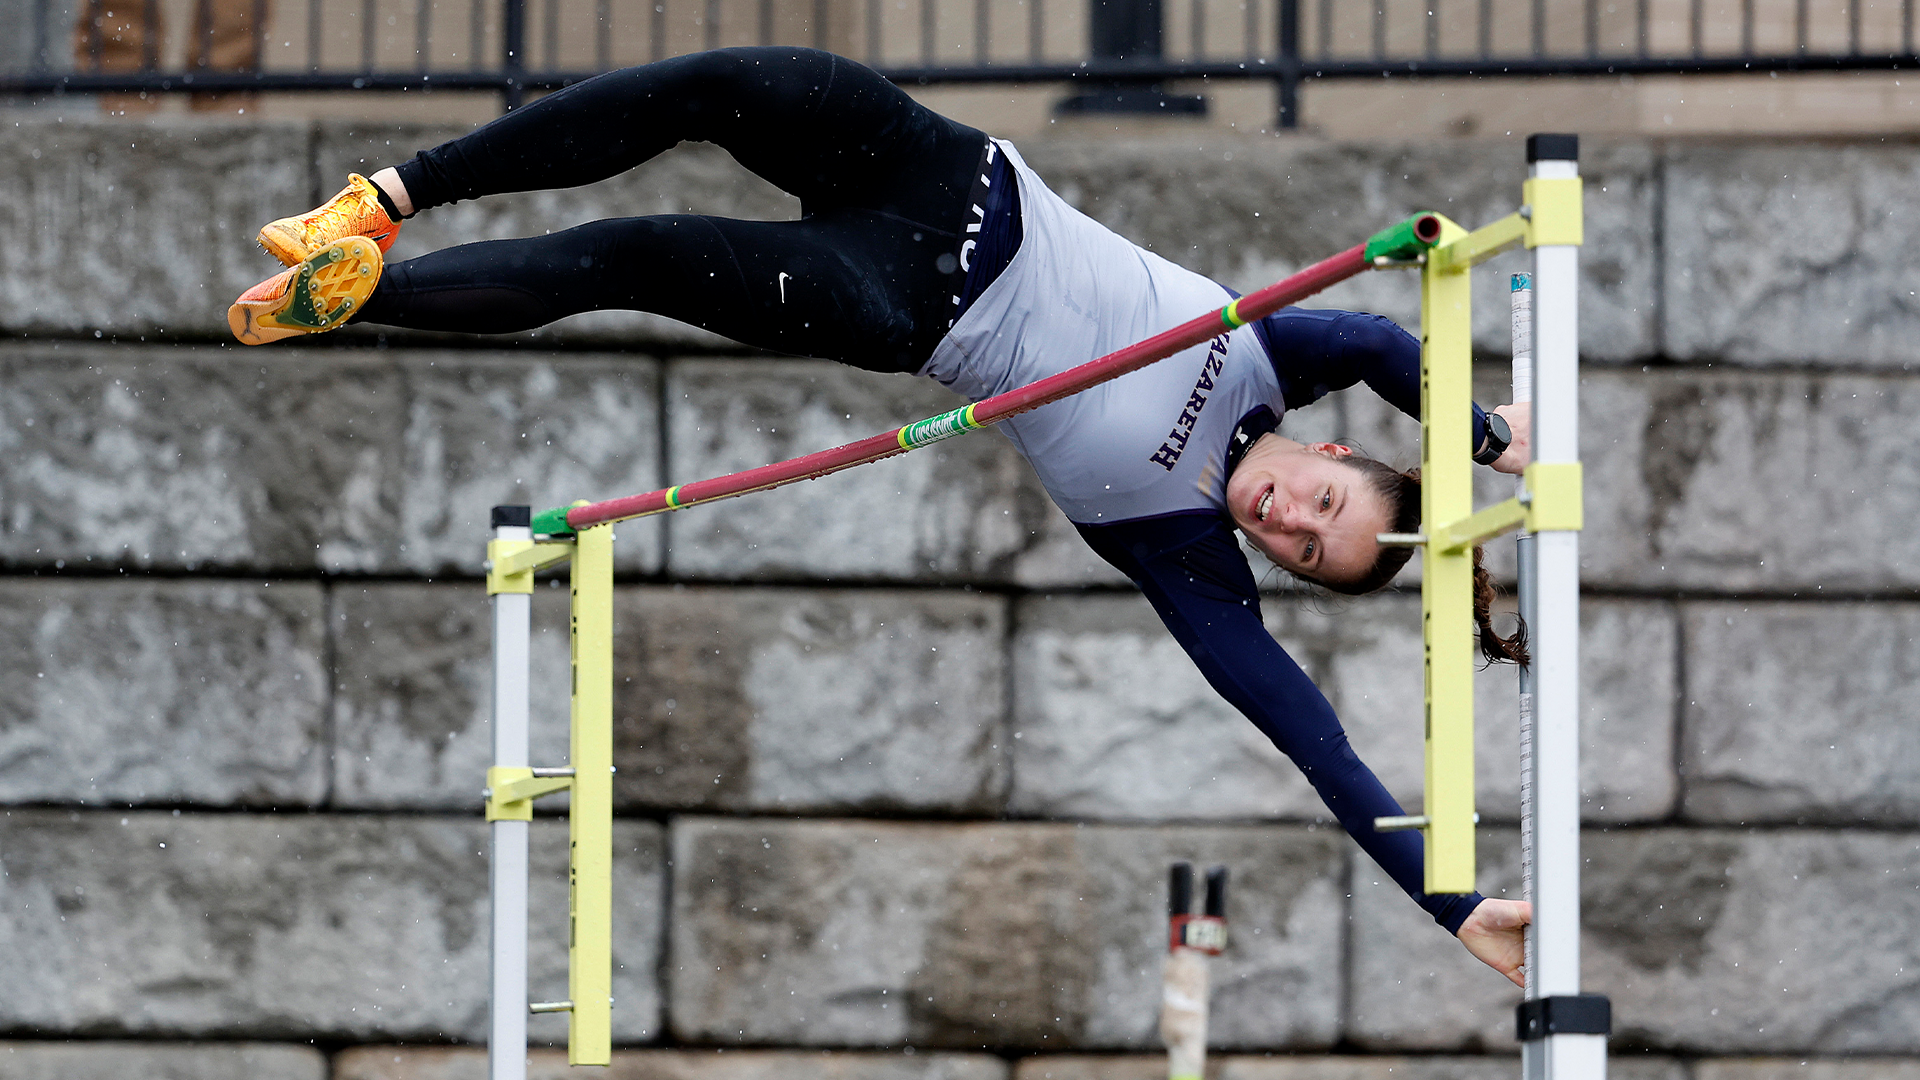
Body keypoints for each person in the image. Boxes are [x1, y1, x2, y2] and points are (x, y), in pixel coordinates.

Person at [231, 46, 1536, 985]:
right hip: (941, 164)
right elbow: (1376, 335)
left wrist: (1453, 904)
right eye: (1319, 498)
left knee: (633, 254)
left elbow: (1319, 746)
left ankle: (349, 297)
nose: (1287, 519)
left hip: (898, 300)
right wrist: (1484, 435)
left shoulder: (1182, 552)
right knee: (706, 89)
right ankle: (388, 198)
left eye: (1304, 549)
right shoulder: (1271, 359)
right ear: (1329, 448)